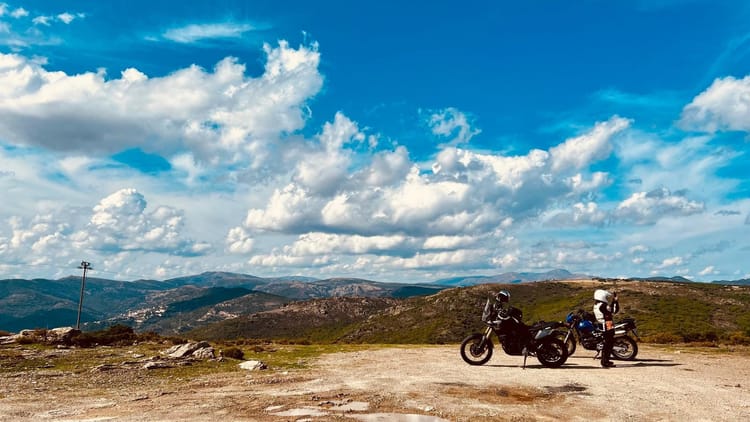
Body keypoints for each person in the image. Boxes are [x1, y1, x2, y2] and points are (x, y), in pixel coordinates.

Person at [593, 289, 619, 368]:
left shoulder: (596, 305)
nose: (607, 299)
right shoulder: (603, 306)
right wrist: (615, 301)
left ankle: (605, 360)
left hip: (602, 325)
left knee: (607, 343)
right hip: (607, 326)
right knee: (608, 344)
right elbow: (614, 310)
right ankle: (605, 361)